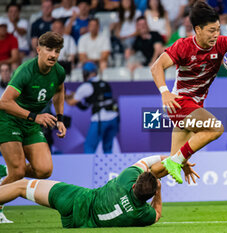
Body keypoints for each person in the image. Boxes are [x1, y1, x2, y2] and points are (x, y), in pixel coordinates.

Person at [150, 1, 227, 183]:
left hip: (194, 106)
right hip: (179, 103)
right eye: (211, 30)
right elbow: (157, 67)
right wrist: (164, 92)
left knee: (166, 167)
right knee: (216, 128)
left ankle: (133, 184)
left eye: (218, 29)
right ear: (198, 29)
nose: (216, 34)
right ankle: (177, 160)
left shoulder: (222, 43)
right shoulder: (183, 46)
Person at [0, 154, 199, 228]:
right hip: (78, 224)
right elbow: (157, 214)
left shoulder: (125, 180)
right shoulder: (142, 215)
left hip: (75, 199)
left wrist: (176, 160)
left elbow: (148, 161)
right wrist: (158, 192)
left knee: (21, 186)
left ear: (133, 185)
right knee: (22, 186)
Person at [0, 32, 67, 223]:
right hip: (8, 120)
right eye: (49, 49)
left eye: (57, 51)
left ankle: (5, 171)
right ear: (38, 50)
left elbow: (60, 90)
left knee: (44, 170)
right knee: (19, 172)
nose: (53, 55)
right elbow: (4, 102)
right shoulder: (25, 71)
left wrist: (59, 118)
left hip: (30, 122)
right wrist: (34, 116)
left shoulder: (59, 72)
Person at [65, 62, 118, 154]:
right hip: (114, 119)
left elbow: (71, 102)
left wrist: (62, 96)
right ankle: (109, 168)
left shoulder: (86, 86)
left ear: (85, 73)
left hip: (100, 119)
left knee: (89, 147)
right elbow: (94, 98)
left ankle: (88, 168)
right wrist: (75, 95)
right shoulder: (105, 84)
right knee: (107, 148)